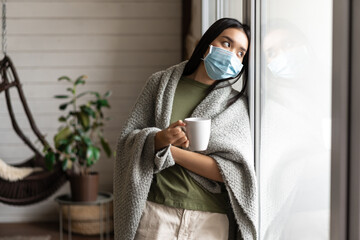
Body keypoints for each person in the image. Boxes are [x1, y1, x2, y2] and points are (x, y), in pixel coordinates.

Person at [113, 18, 258, 240]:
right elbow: (127, 142)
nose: (231, 55)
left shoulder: (235, 105)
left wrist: (170, 151)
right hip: (156, 211)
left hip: (210, 219)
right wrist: (158, 138)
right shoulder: (160, 84)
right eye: (227, 44)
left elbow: (232, 173)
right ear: (207, 43)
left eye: (240, 53)